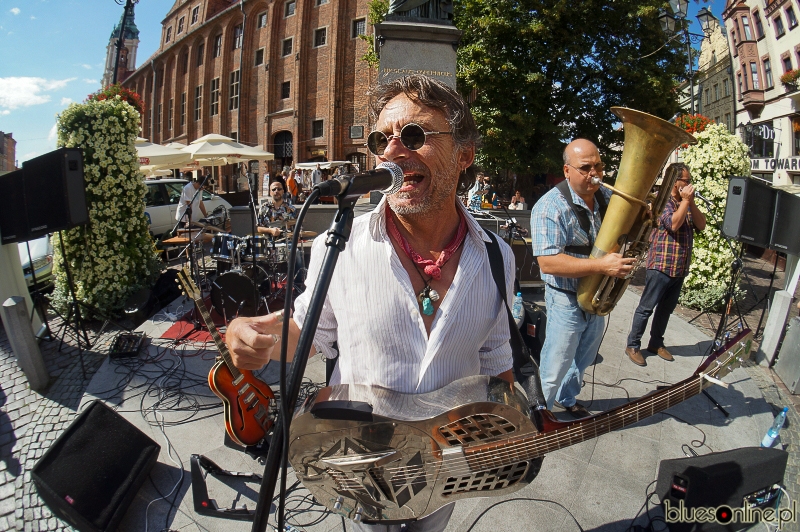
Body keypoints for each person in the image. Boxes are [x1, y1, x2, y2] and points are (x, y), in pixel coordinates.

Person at [225, 75, 516, 532]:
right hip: (360, 461)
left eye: (415, 135)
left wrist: (505, 425)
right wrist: (251, 332)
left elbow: (496, 355)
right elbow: (306, 332)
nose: (393, 152)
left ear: (464, 155)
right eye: (383, 139)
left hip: (445, 463)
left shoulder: (497, 256)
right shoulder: (337, 245)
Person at [530, 139, 635, 417]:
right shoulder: (549, 206)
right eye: (586, 168)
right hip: (565, 297)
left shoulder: (606, 198)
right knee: (557, 361)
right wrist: (602, 266)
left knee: (584, 358)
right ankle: (540, 415)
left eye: (598, 165)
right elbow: (548, 262)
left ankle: (568, 398)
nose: (595, 174)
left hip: (596, 294)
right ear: (567, 171)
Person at [625, 163, 706, 366]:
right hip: (661, 265)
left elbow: (701, 225)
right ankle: (633, 345)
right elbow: (674, 224)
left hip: (679, 268)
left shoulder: (686, 203)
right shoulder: (662, 203)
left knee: (665, 310)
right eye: (686, 181)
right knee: (646, 308)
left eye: (689, 181)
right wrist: (686, 202)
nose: (689, 184)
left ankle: (656, 343)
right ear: (675, 182)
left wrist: (691, 203)